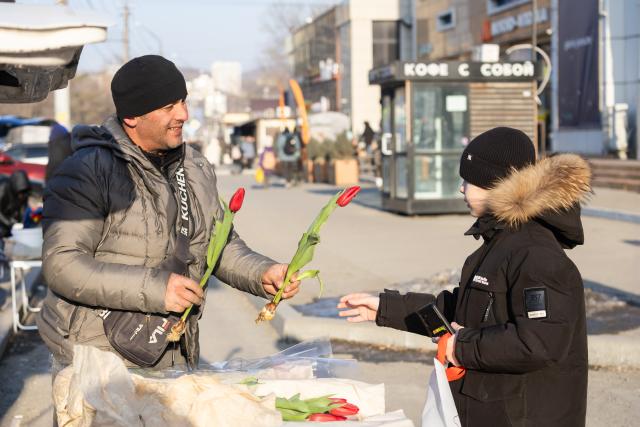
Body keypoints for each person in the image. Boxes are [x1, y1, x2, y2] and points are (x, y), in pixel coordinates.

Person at [36, 55, 300, 375]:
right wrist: (157, 290)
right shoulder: (88, 170)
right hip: (101, 364)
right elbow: (62, 264)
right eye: (168, 107)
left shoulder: (195, 167)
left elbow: (219, 244)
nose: (183, 115)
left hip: (172, 354)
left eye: (183, 102)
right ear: (133, 116)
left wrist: (262, 273)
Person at [338, 127, 591, 427]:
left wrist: (463, 347)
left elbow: (538, 341)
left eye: (468, 180)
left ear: (497, 184)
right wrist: (385, 307)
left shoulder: (534, 252)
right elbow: (463, 311)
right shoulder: (502, 240)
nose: (461, 189)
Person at [0, 170, 31, 252]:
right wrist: (10, 223)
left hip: (11, 222)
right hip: (3, 221)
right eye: (21, 193)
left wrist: (21, 222)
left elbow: (23, 209)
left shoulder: (23, 194)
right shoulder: (2, 190)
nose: (22, 195)